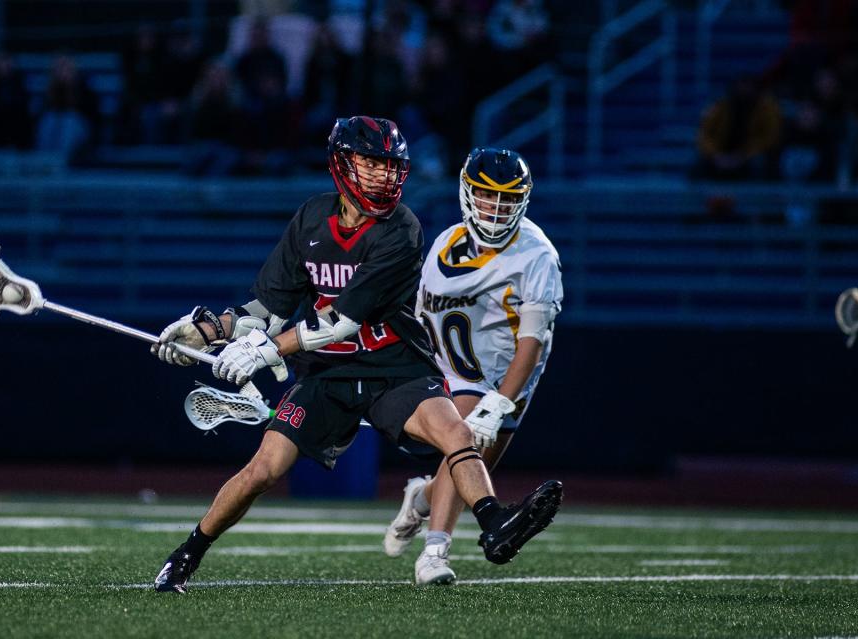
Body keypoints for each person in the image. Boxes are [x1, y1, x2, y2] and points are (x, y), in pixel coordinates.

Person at [150, 116, 563, 593]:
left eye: (391, 167)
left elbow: (340, 321)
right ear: (343, 163)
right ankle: (187, 553)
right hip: (329, 373)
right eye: (372, 164)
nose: (384, 176)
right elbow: (265, 309)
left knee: (455, 431)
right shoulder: (310, 219)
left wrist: (265, 350)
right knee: (263, 470)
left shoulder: (402, 229)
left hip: (394, 366)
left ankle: (495, 521)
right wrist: (205, 330)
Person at [383, 147, 563, 585]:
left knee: (466, 468)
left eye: (506, 198)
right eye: (486, 196)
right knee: (463, 446)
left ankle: (420, 499)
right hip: (452, 368)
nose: (496, 208)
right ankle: (433, 553)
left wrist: (502, 400)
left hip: (510, 372)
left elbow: (532, 341)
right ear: (467, 193)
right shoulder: (444, 243)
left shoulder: (537, 255)